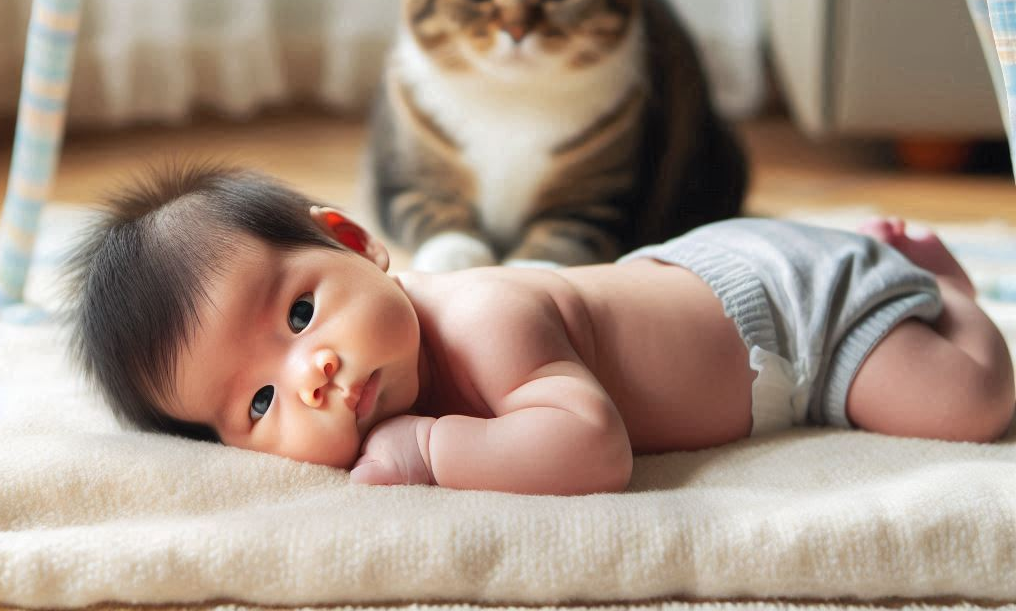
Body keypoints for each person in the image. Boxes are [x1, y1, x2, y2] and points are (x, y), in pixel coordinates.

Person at [67, 164, 1015, 495]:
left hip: (788, 310)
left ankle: (942, 283)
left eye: (300, 313)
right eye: (259, 403)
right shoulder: (384, 362)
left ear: (356, 242)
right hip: (688, 284)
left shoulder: (484, 315)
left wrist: (437, 447)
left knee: (965, 404)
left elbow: (592, 448)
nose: (310, 375)